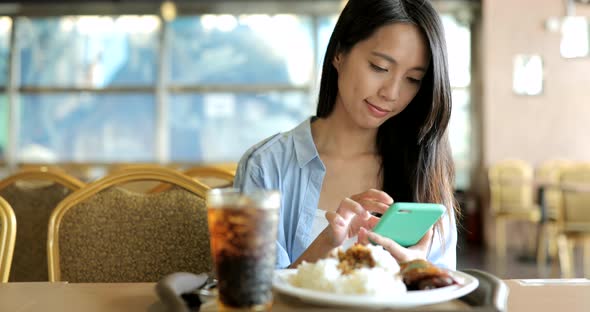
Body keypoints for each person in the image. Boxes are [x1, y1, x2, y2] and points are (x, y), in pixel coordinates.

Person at [234, 0, 458, 270]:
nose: (392, 93)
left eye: (412, 79)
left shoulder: (425, 167)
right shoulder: (266, 166)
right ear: (339, 53)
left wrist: (418, 270)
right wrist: (324, 244)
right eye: (379, 67)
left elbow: (446, 288)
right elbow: (252, 295)